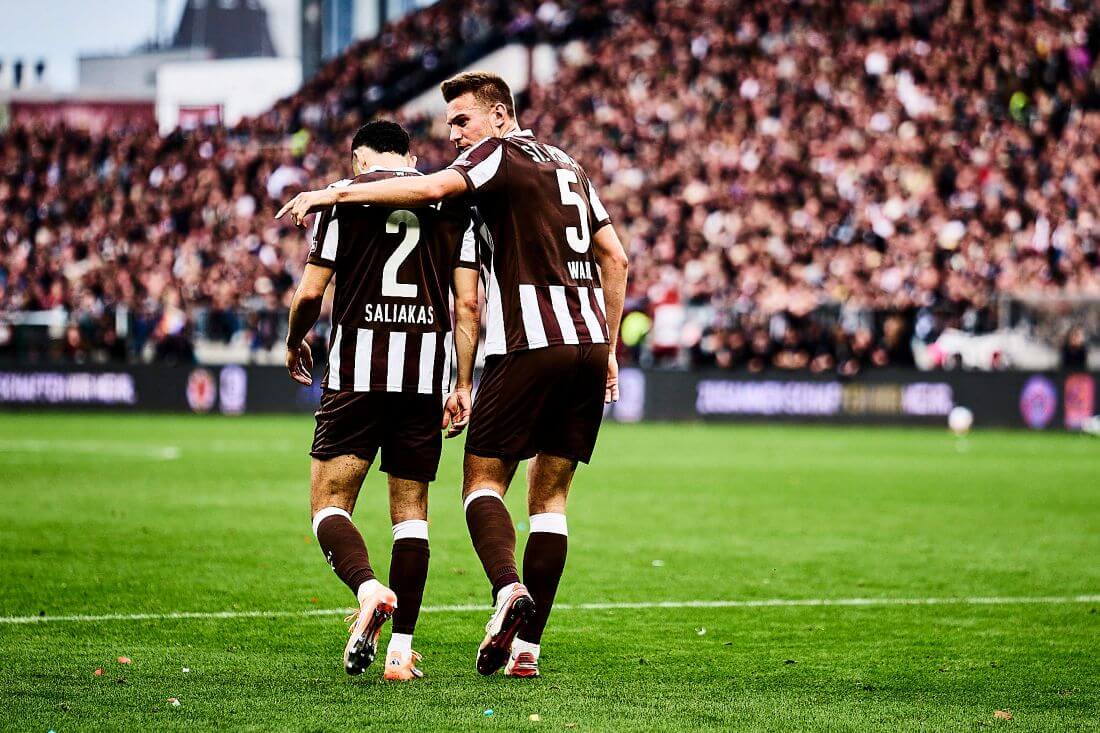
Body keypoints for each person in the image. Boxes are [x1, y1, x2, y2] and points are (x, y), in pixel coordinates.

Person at [278, 71, 629, 679]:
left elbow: (433, 190)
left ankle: (504, 589)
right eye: (449, 125)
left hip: (520, 343)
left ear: (500, 117)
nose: (454, 134)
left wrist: (331, 194)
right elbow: (616, 257)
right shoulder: (570, 166)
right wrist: (612, 346)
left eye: (462, 120)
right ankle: (523, 651)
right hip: (587, 345)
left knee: (480, 486)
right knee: (549, 502)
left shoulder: (492, 157)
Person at [283, 120, 480, 680]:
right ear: (410, 159)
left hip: (356, 374)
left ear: (358, 161)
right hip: (422, 379)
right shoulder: (452, 203)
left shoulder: (341, 200)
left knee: (329, 506)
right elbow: (468, 306)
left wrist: (295, 340)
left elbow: (311, 292)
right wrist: (462, 382)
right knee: (411, 517)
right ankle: (400, 652)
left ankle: (368, 588)